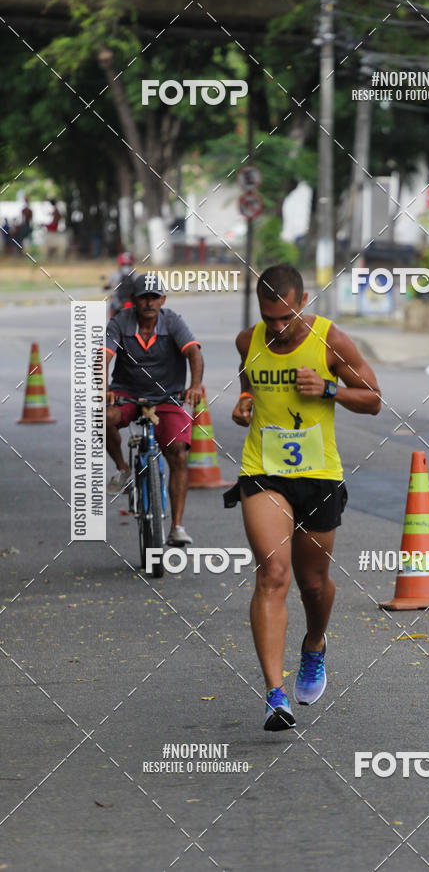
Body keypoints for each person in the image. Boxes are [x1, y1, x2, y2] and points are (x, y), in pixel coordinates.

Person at [226, 263, 381, 731]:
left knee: (313, 584)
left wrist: (330, 388)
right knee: (273, 573)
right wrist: (244, 403)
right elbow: (249, 381)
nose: (276, 327)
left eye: (285, 317)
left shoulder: (331, 340)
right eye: (268, 317)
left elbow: (373, 397)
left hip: (317, 474)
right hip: (263, 470)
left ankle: (314, 644)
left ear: (304, 302)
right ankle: (275, 695)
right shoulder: (246, 340)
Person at [103, 274, 204, 546]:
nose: (149, 302)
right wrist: (104, 389)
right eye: (143, 297)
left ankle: (177, 526)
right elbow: (104, 357)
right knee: (103, 417)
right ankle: (124, 469)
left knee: (179, 456)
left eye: (154, 297)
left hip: (166, 397)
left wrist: (194, 386)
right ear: (133, 300)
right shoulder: (120, 323)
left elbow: (194, 353)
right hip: (127, 393)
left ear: (163, 300)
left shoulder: (172, 321)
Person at [104, 251, 136, 317]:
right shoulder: (136, 274)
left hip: (117, 302)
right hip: (133, 302)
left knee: (110, 307)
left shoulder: (115, 274)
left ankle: (110, 324)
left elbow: (107, 285)